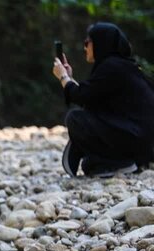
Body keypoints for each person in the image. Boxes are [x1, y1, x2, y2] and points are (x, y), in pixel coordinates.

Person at [52, 22, 154, 178]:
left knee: (75, 119)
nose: (85, 48)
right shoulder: (122, 66)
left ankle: (121, 164)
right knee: (89, 164)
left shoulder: (112, 67)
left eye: (88, 43)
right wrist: (69, 78)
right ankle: (117, 162)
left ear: (100, 43)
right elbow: (90, 98)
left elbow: (80, 96)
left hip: (136, 139)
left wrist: (64, 77)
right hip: (141, 141)